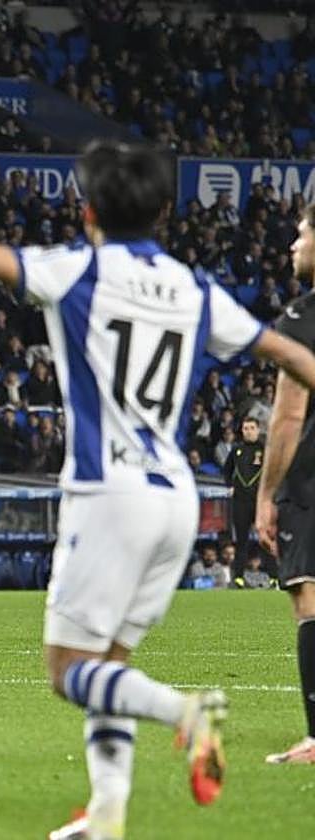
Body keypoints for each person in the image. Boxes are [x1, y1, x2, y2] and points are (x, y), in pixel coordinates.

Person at [0, 140, 315, 836]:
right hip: (178, 499)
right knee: (109, 664)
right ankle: (105, 815)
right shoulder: (195, 288)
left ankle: (187, 712)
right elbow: (289, 354)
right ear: (165, 212)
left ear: (86, 210)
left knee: (66, 669)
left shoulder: (78, 269)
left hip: (111, 494)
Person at [253, 205, 315, 766]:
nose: (294, 246)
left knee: (310, 594)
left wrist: (266, 493)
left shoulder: (303, 316)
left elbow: (289, 416)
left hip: (312, 479)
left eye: (302, 234)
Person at [222, 416, 263, 578]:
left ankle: (274, 576)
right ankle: (238, 577)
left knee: (265, 538)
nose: (249, 431)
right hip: (240, 501)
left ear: (258, 430)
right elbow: (227, 470)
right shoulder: (236, 450)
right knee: (241, 540)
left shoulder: (265, 449)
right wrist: (229, 486)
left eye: (252, 428)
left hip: (259, 501)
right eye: (246, 428)